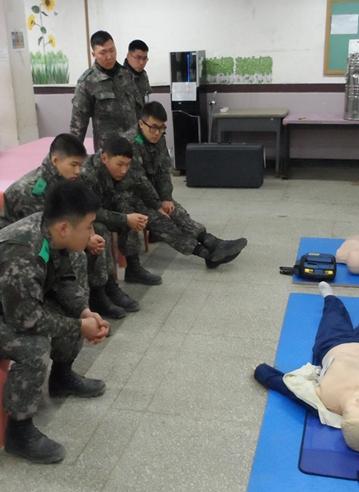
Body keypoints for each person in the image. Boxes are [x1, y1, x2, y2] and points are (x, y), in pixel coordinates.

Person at [0, 180, 109, 464]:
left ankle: (62, 377)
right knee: (33, 346)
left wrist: (84, 313)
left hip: (12, 305)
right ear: (65, 228)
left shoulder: (50, 230)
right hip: (11, 310)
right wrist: (80, 327)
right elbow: (26, 320)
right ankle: (19, 432)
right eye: (89, 227)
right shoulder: (23, 250)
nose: (92, 233)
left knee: (69, 309)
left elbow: (64, 281)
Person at [254, 282, 359, 453]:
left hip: (333, 345)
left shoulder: (327, 403)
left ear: (342, 419)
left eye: (354, 408)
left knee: (331, 319)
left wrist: (261, 372)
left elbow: (290, 388)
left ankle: (329, 298)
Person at [0, 134, 138, 319]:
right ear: (55, 161)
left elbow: (77, 216)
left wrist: (89, 236)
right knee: (76, 254)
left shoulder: (66, 179)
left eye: (80, 165)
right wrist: (86, 241)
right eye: (74, 165)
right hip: (21, 248)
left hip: (49, 235)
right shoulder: (32, 189)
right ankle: (77, 310)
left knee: (99, 231)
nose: (78, 171)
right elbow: (45, 230)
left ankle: (101, 291)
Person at [123, 101, 247, 269]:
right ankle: (207, 254)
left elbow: (163, 170)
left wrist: (166, 198)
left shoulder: (158, 138)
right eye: (153, 127)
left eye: (162, 128)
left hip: (150, 193)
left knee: (177, 212)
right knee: (163, 222)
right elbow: (139, 181)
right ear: (141, 123)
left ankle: (213, 242)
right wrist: (157, 205)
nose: (157, 132)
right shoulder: (130, 143)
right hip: (130, 197)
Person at [70, 30, 139, 152]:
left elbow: (140, 113)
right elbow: (78, 127)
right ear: (94, 54)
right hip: (109, 153)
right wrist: (73, 156)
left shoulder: (127, 74)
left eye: (112, 50)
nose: (109, 57)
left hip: (134, 149)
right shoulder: (88, 82)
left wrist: (142, 143)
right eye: (103, 52)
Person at [124, 39, 152, 110]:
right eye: (138, 58)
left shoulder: (143, 75)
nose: (142, 62)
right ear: (128, 56)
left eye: (144, 58)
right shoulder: (120, 76)